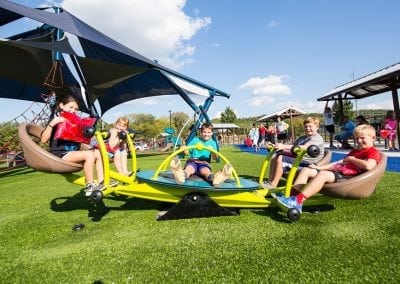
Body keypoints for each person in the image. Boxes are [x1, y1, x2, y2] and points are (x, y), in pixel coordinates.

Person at [273, 124, 381, 212]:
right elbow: (338, 163)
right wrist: (319, 167)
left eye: (362, 138)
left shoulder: (373, 152)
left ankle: (298, 201)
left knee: (323, 175)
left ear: (373, 138)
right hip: (339, 172)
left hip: (350, 177)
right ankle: (292, 198)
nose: (359, 141)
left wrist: (352, 159)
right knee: (307, 170)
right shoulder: (354, 151)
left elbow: (368, 166)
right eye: (357, 138)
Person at [40, 94, 105, 196]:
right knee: (89, 154)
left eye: (76, 109)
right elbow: (43, 140)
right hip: (60, 154)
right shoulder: (56, 119)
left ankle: (102, 182)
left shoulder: (75, 122)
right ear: (62, 105)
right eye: (71, 107)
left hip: (73, 153)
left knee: (97, 153)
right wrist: (53, 123)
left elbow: (80, 140)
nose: (73, 111)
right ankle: (90, 185)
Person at [262, 116, 325, 189]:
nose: (307, 128)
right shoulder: (302, 138)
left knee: (281, 158)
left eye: (310, 126)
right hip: (298, 159)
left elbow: (305, 147)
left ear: (317, 127)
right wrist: (276, 146)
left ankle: (273, 185)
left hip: (308, 164)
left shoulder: (317, 138)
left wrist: (284, 146)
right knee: (275, 156)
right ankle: (270, 181)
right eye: (306, 127)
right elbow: (292, 147)